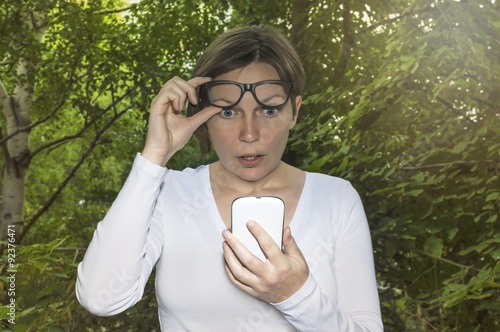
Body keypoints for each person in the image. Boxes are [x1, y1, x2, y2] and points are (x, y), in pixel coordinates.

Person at [76, 24, 383, 331]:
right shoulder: (169, 192)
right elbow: (101, 298)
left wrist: (295, 296)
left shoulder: (336, 199)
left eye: (270, 110)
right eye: (227, 112)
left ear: (295, 111)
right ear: (202, 115)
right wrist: (154, 156)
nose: (249, 134)